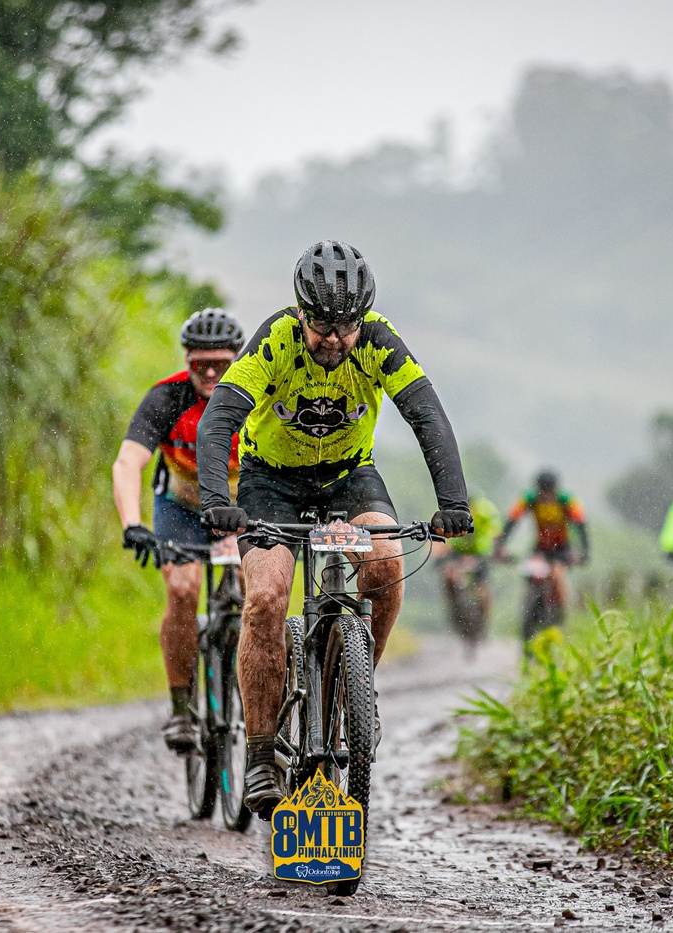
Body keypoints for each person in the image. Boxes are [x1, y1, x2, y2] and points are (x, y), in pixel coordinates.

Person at [195, 239, 472, 819]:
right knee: (266, 599)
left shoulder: (378, 340)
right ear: (301, 312)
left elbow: (427, 414)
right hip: (271, 480)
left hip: (350, 478)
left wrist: (453, 502)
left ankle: (355, 689)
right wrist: (219, 500)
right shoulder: (275, 340)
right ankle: (262, 754)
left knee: (386, 563)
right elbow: (220, 417)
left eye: (347, 327)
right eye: (321, 325)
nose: (335, 339)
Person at [111, 308, 245, 754]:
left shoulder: (256, 398)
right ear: (187, 360)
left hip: (240, 508)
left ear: (238, 360)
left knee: (255, 587)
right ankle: (181, 708)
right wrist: (133, 524)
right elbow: (128, 462)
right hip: (182, 506)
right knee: (183, 589)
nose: (210, 373)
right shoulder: (167, 397)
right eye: (200, 364)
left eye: (221, 364)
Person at [494, 470, 589, 636]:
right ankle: (529, 611)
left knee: (557, 576)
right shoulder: (530, 499)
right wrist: (500, 545)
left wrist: (585, 551)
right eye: (543, 491)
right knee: (531, 573)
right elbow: (512, 521)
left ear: (556, 489)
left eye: (549, 491)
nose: (546, 495)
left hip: (562, 548)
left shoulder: (566, 500)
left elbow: (580, 524)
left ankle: (560, 616)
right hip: (540, 547)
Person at [433, 494, 501, 650]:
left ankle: (484, 623)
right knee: (449, 576)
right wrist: (438, 555)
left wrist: (497, 548)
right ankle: (453, 608)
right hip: (458, 554)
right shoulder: (451, 511)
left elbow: (496, 531)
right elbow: (440, 536)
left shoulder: (485, 511)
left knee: (482, 590)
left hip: (480, 553)